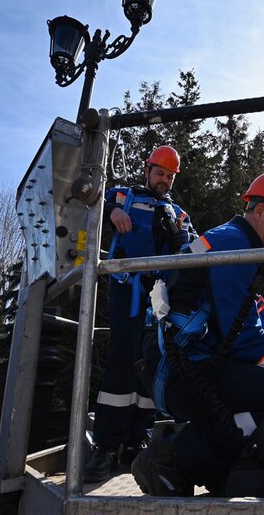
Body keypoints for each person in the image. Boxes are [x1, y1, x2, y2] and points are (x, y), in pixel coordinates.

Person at [131, 170, 264, 496]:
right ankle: (173, 458)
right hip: (179, 372)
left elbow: (234, 321)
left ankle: (216, 468)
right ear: (260, 212)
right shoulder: (235, 247)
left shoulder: (232, 240)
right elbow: (244, 340)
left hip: (182, 362)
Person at [84, 145, 198, 482]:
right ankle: (105, 446)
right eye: (160, 173)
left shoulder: (177, 212)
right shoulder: (122, 195)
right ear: (147, 170)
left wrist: (183, 240)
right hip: (127, 287)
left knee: (151, 360)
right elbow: (89, 201)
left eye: (169, 176)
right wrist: (109, 213)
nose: (164, 180)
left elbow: (192, 246)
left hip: (160, 295)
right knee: (122, 357)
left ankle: (138, 439)